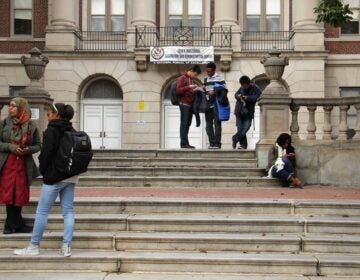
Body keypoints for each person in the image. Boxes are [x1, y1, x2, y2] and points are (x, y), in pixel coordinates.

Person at [14, 103, 77, 257]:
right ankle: (66, 246)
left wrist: (43, 170)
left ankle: (34, 246)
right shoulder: (72, 130)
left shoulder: (52, 130)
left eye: (50, 111)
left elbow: (46, 154)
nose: (48, 113)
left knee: (42, 211)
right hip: (71, 175)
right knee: (68, 211)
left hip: (54, 176)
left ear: (57, 115)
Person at [0, 97, 40, 234]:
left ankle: (15, 224)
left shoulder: (31, 126)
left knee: (19, 193)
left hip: (23, 164)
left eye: (13, 106)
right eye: (9, 106)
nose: (9, 108)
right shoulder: (4, 123)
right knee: (8, 192)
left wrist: (28, 150)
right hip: (7, 162)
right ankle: (10, 225)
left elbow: (37, 146)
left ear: (21, 108)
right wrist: (10, 146)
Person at [232, 75, 262, 150]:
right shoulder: (241, 87)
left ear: (248, 83)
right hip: (239, 111)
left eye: (244, 86)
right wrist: (238, 96)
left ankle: (235, 139)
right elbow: (235, 95)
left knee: (246, 128)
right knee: (240, 129)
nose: (243, 87)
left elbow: (257, 98)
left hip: (248, 112)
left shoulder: (256, 88)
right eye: (242, 85)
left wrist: (247, 98)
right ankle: (243, 145)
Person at [176, 64, 202, 149]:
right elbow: (178, 90)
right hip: (184, 104)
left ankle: (185, 143)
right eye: (195, 74)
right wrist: (188, 87)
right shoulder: (182, 78)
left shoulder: (191, 79)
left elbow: (189, 91)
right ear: (191, 71)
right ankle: (183, 143)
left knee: (187, 124)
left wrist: (196, 89)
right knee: (184, 124)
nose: (195, 76)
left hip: (190, 105)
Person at [204, 62, 228, 149]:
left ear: (214, 70)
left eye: (210, 71)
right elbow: (206, 90)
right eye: (207, 71)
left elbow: (224, 89)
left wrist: (214, 92)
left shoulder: (220, 78)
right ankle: (212, 143)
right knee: (208, 125)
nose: (208, 73)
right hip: (208, 105)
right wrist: (203, 88)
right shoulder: (206, 79)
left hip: (217, 105)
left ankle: (217, 144)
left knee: (217, 125)